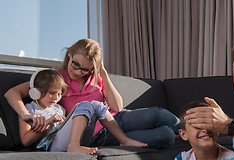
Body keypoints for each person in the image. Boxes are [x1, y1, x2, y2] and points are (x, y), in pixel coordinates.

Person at [5, 38, 179, 151]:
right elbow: (12, 93)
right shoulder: (54, 79)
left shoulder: (94, 77)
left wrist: (101, 72)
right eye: (75, 64)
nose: (79, 72)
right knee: (166, 136)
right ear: (69, 55)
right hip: (97, 135)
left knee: (158, 113)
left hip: (116, 119)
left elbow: (117, 107)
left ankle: (188, 130)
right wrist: (26, 115)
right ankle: (180, 134)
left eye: (85, 69)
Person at [19, 69, 147, 154]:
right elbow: (25, 141)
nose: (56, 98)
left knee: (97, 105)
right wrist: (49, 121)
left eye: (59, 94)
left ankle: (123, 140)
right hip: (51, 146)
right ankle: (73, 146)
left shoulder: (59, 109)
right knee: (84, 105)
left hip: (70, 139)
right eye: (52, 93)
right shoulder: (30, 110)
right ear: (36, 92)